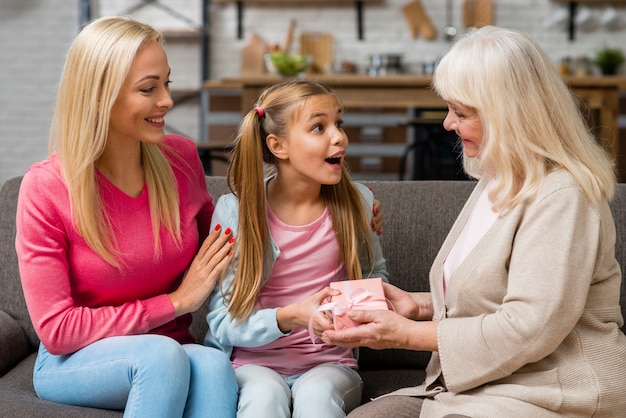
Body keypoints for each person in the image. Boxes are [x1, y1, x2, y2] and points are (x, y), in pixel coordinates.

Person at [321, 25, 626, 418]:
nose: (447, 123)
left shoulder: (563, 196)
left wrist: (404, 335)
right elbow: (495, 296)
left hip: (548, 393)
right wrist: (416, 307)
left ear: (508, 116)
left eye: (460, 112)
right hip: (476, 389)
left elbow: (526, 328)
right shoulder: (495, 179)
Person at [15, 16, 239, 417]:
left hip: (172, 349)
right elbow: (58, 330)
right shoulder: (45, 188)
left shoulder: (181, 159)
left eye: (166, 84)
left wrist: (336, 208)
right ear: (98, 96)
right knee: (160, 357)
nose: (167, 100)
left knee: (213, 364)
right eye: (148, 89)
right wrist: (176, 302)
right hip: (75, 361)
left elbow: (231, 242)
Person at [203, 79, 388, 418]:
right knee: (262, 400)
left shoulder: (358, 202)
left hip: (330, 363)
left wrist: (347, 313)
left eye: (339, 123)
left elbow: (375, 277)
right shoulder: (236, 211)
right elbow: (222, 320)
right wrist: (289, 316)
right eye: (319, 127)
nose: (339, 137)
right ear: (278, 145)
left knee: (317, 396)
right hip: (250, 363)